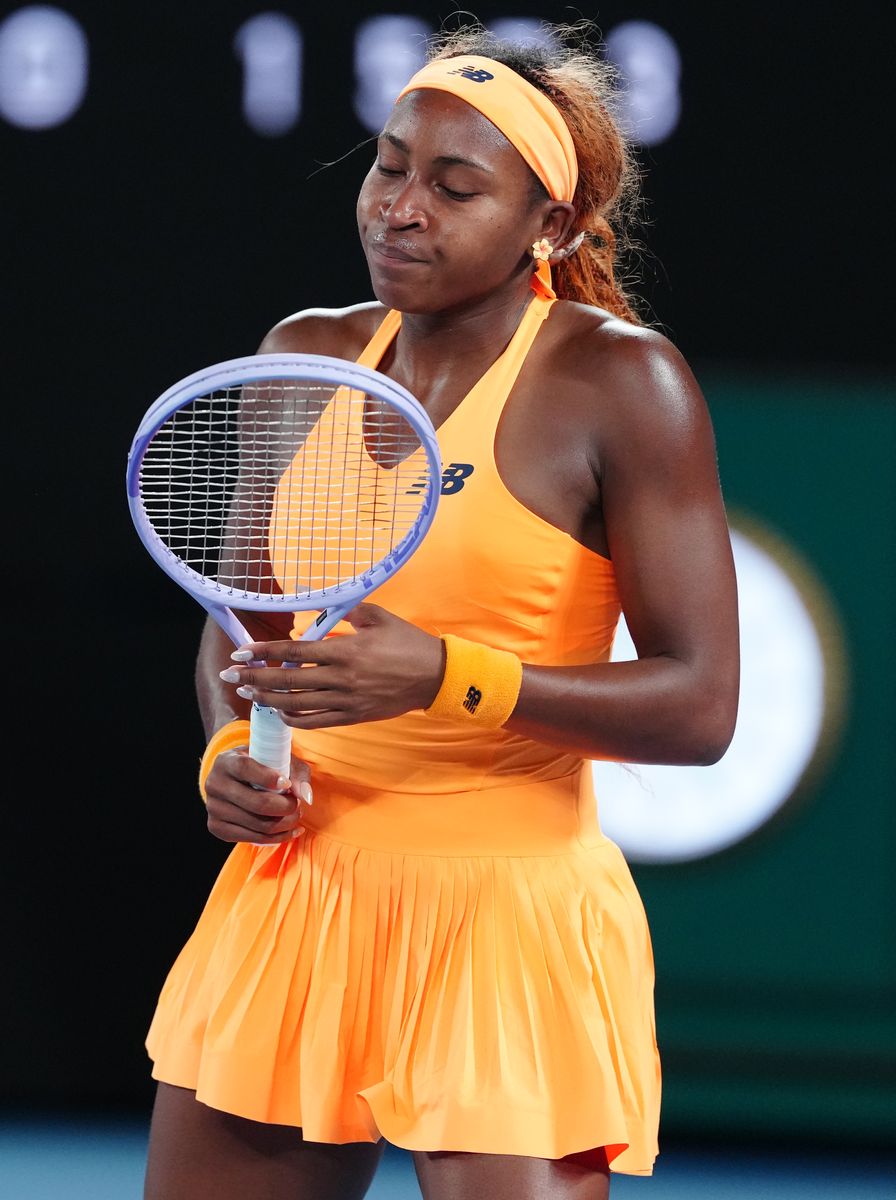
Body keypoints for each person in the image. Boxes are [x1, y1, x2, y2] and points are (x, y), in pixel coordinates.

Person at [143, 19, 739, 1200]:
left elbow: (701, 706)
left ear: (551, 227)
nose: (398, 207)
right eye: (390, 163)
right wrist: (228, 743)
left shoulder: (622, 382)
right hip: (293, 901)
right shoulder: (301, 356)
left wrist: (447, 676)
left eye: (454, 185)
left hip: (506, 925)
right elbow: (241, 633)